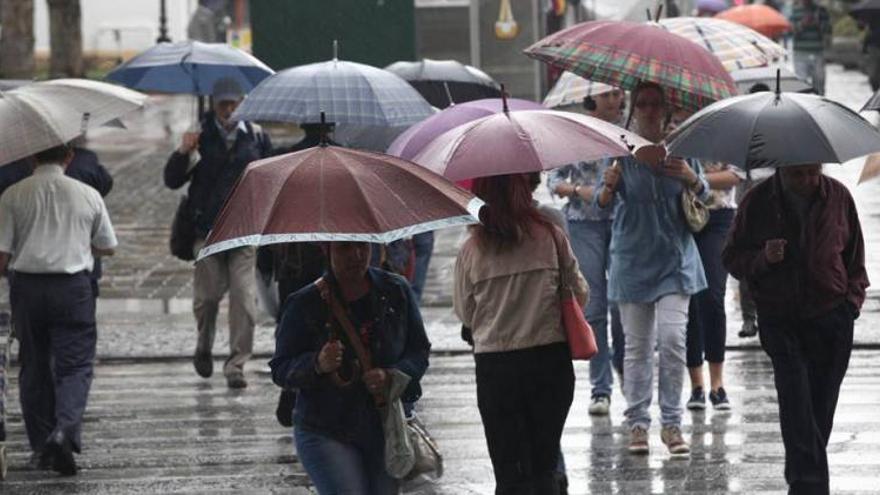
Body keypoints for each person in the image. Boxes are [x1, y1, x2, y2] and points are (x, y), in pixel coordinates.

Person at [723, 164, 867, 495]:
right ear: (781, 169)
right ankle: (810, 488)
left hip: (832, 318)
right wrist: (763, 258)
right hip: (781, 320)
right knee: (796, 404)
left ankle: (802, 480)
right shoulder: (757, 201)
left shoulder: (839, 197)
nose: (807, 181)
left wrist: (851, 305)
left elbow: (855, 257)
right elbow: (731, 258)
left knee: (818, 415)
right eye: (798, 174)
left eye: (813, 172)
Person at [595, 82, 709, 457]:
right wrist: (608, 188)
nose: (647, 110)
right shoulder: (619, 150)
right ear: (633, 108)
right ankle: (638, 424)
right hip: (632, 259)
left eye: (654, 104)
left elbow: (705, 193)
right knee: (637, 346)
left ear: (664, 108)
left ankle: (672, 423)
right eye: (641, 103)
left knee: (674, 339)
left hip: (676, 259)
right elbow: (600, 203)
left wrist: (690, 178)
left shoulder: (683, 147)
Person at [454, 173, 588, 494]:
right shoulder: (551, 237)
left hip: (496, 368)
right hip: (549, 360)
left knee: (508, 468)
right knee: (544, 462)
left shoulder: (472, 249)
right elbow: (579, 293)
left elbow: (465, 312)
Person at [269, 241, 430, 494]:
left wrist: (391, 376)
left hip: (383, 427)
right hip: (325, 428)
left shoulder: (395, 290)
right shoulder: (304, 303)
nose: (356, 256)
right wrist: (317, 364)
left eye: (363, 247)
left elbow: (419, 351)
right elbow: (280, 368)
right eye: (345, 247)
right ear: (327, 249)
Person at [0, 144, 118, 476]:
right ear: (68, 157)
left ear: (30, 156)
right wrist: (79, 243)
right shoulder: (88, 194)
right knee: (75, 365)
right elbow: (108, 246)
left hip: (28, 288)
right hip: (73, 289)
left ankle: (41, 446)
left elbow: (2, 256)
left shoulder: (13, 194)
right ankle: (65, 429)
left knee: (34, 367)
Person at [164, 77, 273, 389]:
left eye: (234, 103)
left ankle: (236, 363)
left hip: (243, 230)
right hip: (207, 230)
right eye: (223, 103)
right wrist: (184, 152)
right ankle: (204, 343)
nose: (229, 109)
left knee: (244, 299)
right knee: (208, 298)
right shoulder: (199, 134)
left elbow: (267, 178)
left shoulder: (255, 135)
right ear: (213, 104)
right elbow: (171, 180)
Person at [547, 87, 626, 417]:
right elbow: (554, 181)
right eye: (606, 95)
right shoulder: (574, 133)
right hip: (583, 224)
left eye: (617, 94)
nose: (613, 100)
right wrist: (580, 190)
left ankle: (627, 373)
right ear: (593, 98)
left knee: (622, 303)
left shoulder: (625, 133)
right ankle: (600, 388)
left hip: (623, 222)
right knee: (593, 305)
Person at [666, 109, 743, 412]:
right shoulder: (672, 125)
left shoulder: (727, 125)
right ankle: (696, 385)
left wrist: (694, 177)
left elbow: (733, 176)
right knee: (691, 297)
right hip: (683, 214)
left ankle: (717, 383)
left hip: (719, 216)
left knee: (713, 295)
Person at [0, 146, 114, 298]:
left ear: (33, 158)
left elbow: (3, 249)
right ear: (69, 156)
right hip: (75, 282)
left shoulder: (10, 177)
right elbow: (108, 246)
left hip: (27, 283)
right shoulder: (86, 166)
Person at [789, 0, 832, 95]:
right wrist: (802, 24)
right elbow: (790, 32)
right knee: (801, 82)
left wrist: (818, 24)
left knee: (819, 82)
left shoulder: (821, 11)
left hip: (817, 53)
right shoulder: (795, 11)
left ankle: (819, 104)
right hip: (800, 53)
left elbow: (828, 31)